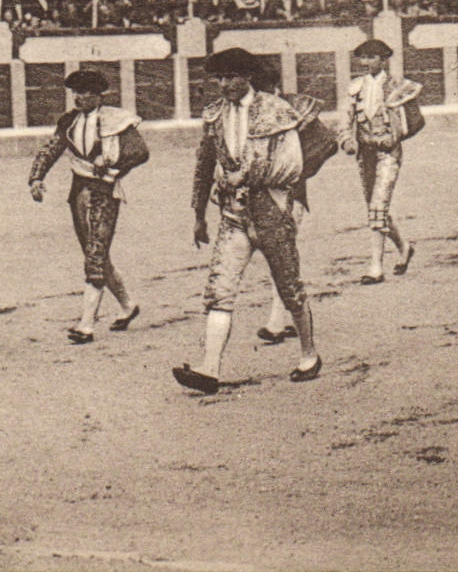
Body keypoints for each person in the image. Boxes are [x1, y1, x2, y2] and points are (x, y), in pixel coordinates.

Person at [175, 48, 332, 394]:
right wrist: (199, 212)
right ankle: (209, 368)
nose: (224, 84)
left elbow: (294, 162)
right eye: (219, 78)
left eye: (231, 77)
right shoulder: (215, 115)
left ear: (248, 75)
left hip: (272, 210)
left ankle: (309, 354)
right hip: (233, 213)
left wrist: (248, 179)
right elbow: (204, 164)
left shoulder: (276, 110)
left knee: (290, 287)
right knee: (220, 289)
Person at [27, 69, 149, 343]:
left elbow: (140, 152)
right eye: (76, 93)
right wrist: (36, 178)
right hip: (78, 193)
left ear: (98, 95)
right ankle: (129, 306)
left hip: (104, 193)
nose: (79, 98)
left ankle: (86, 325)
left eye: (85, 93)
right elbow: (51, 149)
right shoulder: (69, 121)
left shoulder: (115, 120)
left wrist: (112, 164)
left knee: (94, 253)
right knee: (96, 252)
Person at [340, 38, 420, 284]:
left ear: (384, 59)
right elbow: (344, 119)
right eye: (363, 57)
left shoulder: (398, 85)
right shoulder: (355, 87)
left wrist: (394, 137)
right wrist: (346, 140)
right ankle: (404, 247)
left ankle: (376, 266)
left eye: (372, 57)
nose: (366, 62)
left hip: (388, 153)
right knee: (376, 208)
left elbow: (410, 120)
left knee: (378, 206)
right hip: (366, 155)